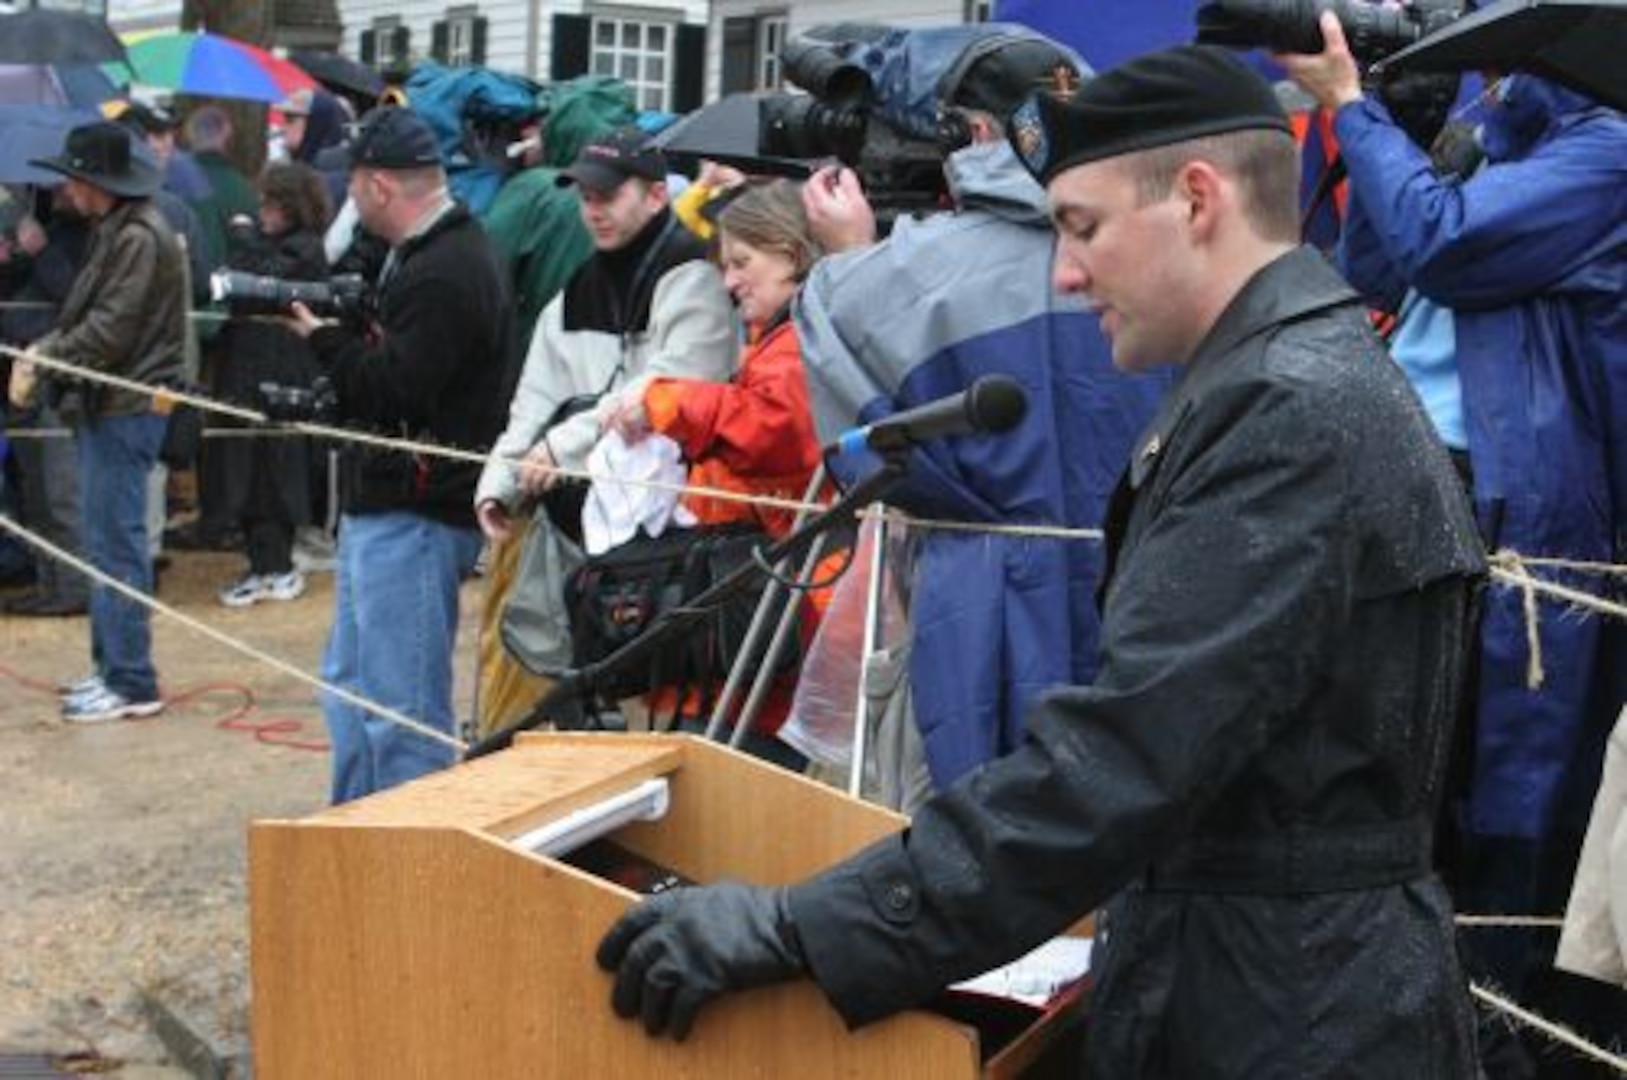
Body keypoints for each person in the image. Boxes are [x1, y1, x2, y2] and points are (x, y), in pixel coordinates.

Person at [596, 45, 1489, 1076]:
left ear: (1196, 200)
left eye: (1081, 227)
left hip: (1283, 1011)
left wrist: (799, 928)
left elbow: (1118, 762)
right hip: (1274, 979)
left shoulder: (1281, 414)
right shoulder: (1288, 378)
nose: (1064, 272)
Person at [1280, 13, 1627, 1067]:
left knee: (1509, 789)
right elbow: (1380, 269)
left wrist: (1349, 105)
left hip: (1520, 505)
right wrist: (1394, 115)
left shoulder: (1608, 149)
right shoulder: (1500, 136)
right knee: (1400, 774)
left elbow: (1450, 242)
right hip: (1420, 479)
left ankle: (1497, 1030)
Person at [791, 25, 1167, 803]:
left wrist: (846, 256)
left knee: (969, 865)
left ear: (978, 133)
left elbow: (859, 452)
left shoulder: (872, 284)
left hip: (971, 626)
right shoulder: (1166, 261)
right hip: (1152, 615)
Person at [286, 107, 511, 803]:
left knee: (400, 709)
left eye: (353, 185)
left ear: (379, 186)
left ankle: (414, 865)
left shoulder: (447, 268)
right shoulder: (420, 254)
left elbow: (395, 389)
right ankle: (354, 834)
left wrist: (324, 341)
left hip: (416, 513)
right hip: (385, 505)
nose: (348, 198)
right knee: (353, 691)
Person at [471, 125, 733, 712]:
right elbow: (531, 403)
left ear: (657, 195)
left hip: (671, 537)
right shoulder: (570, 295)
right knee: (559, 692)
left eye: (608, 195)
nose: (594, 210)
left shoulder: (697, 280)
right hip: (575, 531)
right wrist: (500, 485)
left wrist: (559, 448)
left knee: (661, 701)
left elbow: (671, 386)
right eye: (586, 196)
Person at [598, 179, 827, 765]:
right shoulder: (778, 338)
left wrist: (670, 404)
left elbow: (771, 433)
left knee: (744, 774)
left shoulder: (802, 340)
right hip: (754, 596)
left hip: (777, 607)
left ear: (790, 251)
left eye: (741, 262)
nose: (729, 282)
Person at [471, 76, 635, 736]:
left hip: (540, 431)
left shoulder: (535, 196)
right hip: (616, 453)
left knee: (515, 627)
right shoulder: (655, 217)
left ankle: (505, 754)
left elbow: (486, 284)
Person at [17, 122, 187, 723]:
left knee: (117, 544)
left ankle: (132, 681)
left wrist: (45, 356)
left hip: (127, 408)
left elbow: (111, 330)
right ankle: (111, 668)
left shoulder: (139, 237)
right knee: (105, 542)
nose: (65, 190)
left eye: (73, 178)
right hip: (109, 406)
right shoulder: (119, 230)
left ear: (96, 182)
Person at [214, 162, 332, 608]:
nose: (261, 211)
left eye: (270, 203)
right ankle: (261, 562)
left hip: (280, 371)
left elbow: (260, 287)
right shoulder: (275, 246)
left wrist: (243, 242)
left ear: (291, 206)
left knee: (272, 469)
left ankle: (277, 564)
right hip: (249, 367)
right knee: (245, 467)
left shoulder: (304, 250)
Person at [1, 185, 90, 617]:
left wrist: (39, 250)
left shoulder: (90, 236)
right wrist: (12, 257)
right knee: (34, 488)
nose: (58, 193)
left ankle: (73, 585)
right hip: (21, 372)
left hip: (56, 375)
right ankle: (48, 581)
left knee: (60, 490)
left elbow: (75, 297)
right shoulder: (53, 229)